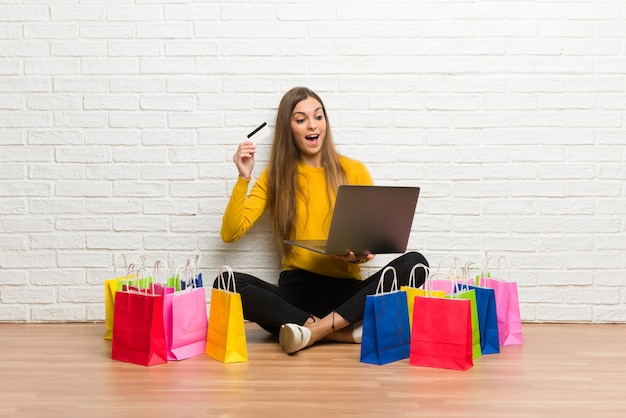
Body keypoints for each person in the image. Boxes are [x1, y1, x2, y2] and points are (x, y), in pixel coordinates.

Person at [219, 86, 428, 354]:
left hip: (347, 294)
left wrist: (358, 257)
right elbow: (231, 233)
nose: (312, 125)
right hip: (296, 293)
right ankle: (340, 333)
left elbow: (368, 244)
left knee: (416, 263)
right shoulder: (275, 176)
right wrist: (243, 177)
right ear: (288, 127)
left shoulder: (354, 171)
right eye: (301, 119)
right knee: (228, 284)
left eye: (318, 116)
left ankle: (312, 331)